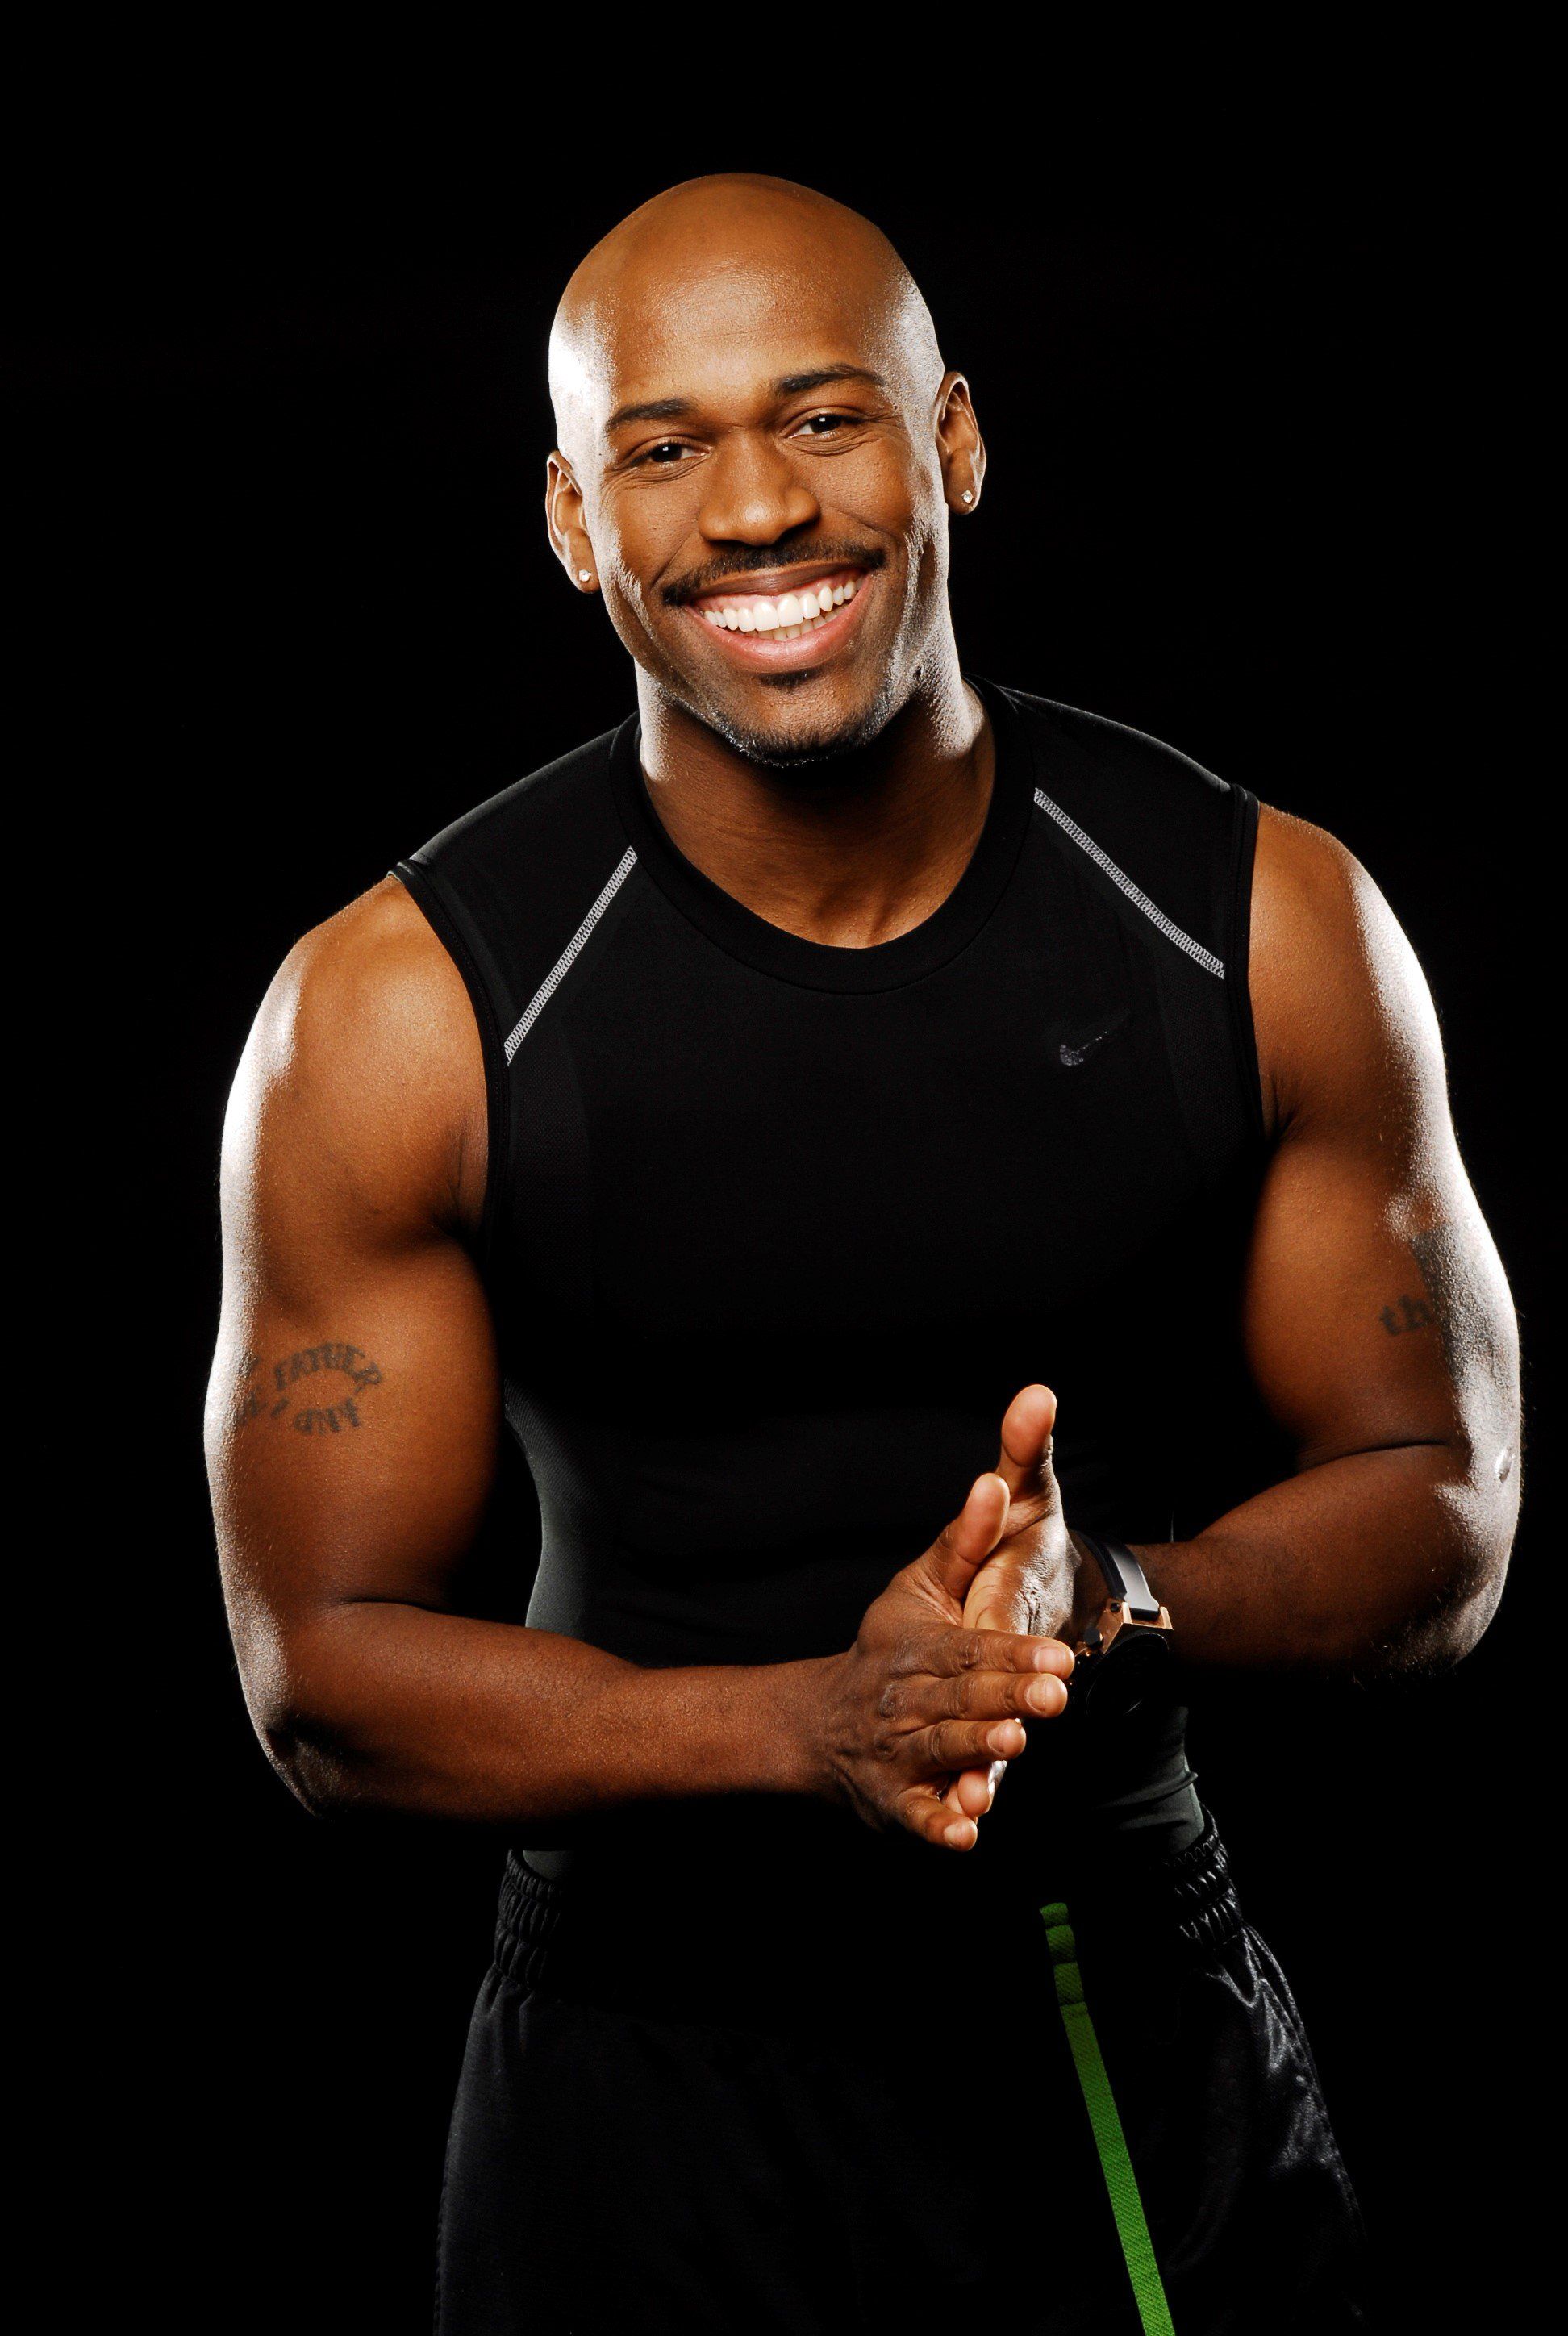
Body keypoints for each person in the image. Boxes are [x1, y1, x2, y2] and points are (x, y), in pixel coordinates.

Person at [206, 174, 1520, 2333]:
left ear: (954, 443)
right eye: (665, 447)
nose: (756, 510)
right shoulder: (396, 1015)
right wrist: (810, 1725)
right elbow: (322, 1680)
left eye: (825, 418)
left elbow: (1444, 1501)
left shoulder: (1257, 923)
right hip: (640, 2063)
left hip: (1107, 2001)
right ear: (573, 519)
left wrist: (1117, 1603)